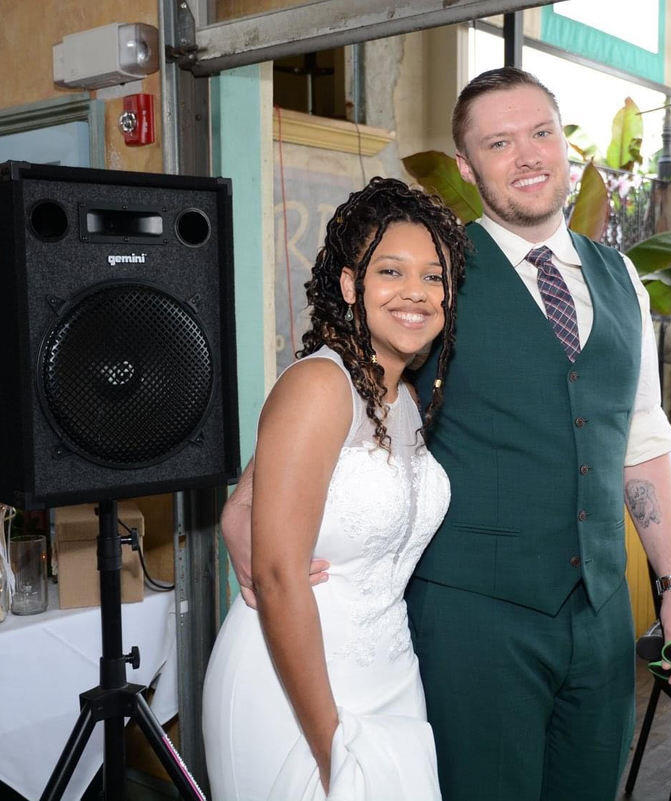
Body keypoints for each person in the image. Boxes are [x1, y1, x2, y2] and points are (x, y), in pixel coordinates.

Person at [222, 67, 671, 801]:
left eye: (541, 133)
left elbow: (639, 442)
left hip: (602, 615)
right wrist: (248, 496)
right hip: (474, 619)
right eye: (500, 142)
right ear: (466, 166)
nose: (528, 156)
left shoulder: (625, 281)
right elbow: (350, 377)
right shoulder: (436, 272)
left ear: (566, 147)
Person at [201, 177, 468, 801]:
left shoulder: (402, 399)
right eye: (392, 272)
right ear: (351, 286)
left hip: (391, 677)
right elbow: (277, 574)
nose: (417, 293)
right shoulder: (319, 386)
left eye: (434, 278)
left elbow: (246, 497)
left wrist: (233, 513)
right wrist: (331, 748)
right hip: (292, 683)